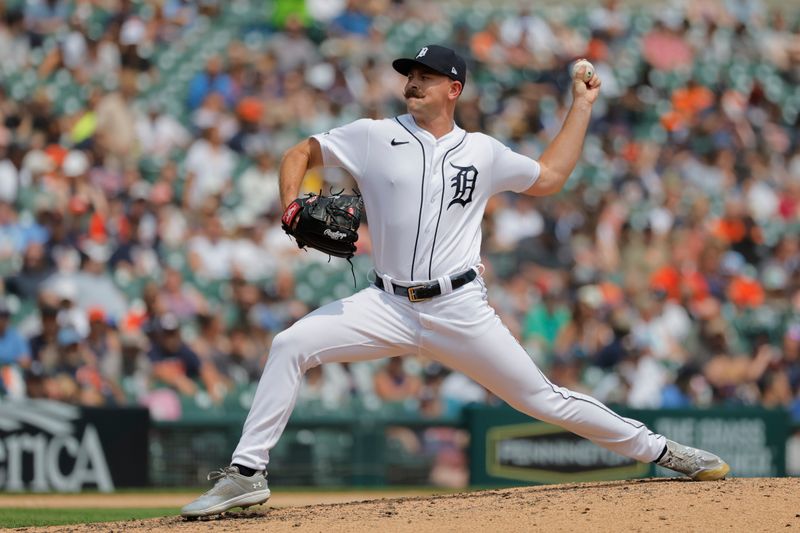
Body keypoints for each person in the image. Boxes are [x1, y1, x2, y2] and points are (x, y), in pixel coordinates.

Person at [181, 44, 729, 518]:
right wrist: (289, 204)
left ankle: (664, 452)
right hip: (386, 303)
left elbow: (552, 177)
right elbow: (301, 151)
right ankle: (247, 473)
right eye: (408, 75)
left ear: (454, 88)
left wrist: (580, 105)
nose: (411, 82)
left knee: (544, 399)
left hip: (459, 307)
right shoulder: (372, 136)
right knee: (290, 344)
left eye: (424, 76)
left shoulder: (483, 151)